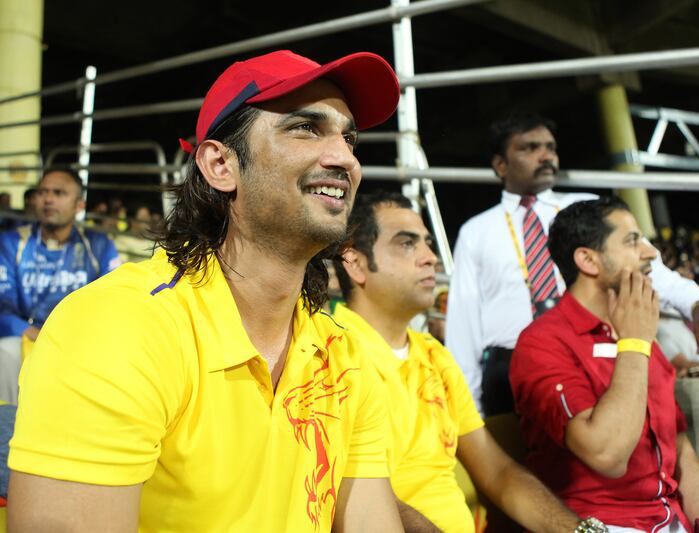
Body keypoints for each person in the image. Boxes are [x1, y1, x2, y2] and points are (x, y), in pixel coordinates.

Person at [8, 49, 405, 532]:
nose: (344, 157)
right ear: (220, 165)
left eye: (349, 137)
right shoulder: (120, 328)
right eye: (305, 128)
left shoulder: (348, 354)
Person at [332, 190, 605, 533]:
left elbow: (497, 472)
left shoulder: (432, 354)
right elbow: (360, 495)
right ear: (355, 263)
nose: (430, 257)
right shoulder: (331, 352)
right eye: (407, 244)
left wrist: (578, 531)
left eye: (428, 244)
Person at [509, 197, 699, 533]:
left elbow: (678, 443)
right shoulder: (543, 342)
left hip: (672, 518)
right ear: (588, 260)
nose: (651, 253)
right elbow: (607, 455)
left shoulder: (638, 333)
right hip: (602, 524)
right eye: (633, 241)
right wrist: (634, 342)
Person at [446, 112, 699, 416]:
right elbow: (463, 321)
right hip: (508, 367)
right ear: (500, 164)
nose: (545, 155)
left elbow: (648, 266)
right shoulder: (476, 231)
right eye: (530, 148)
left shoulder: (589, 210)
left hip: (594, 352)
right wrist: (468, 409)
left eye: (550, 147)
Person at [0, 170, 119, 404]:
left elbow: (115, 303)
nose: (48, 199)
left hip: (81, 339)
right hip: (28, 336)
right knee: (4, 352)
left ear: (79, 205)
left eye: (59, 193)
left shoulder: (99, 244)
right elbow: (2, 307)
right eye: (42, 192)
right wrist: (34, 333)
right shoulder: (11, 242)